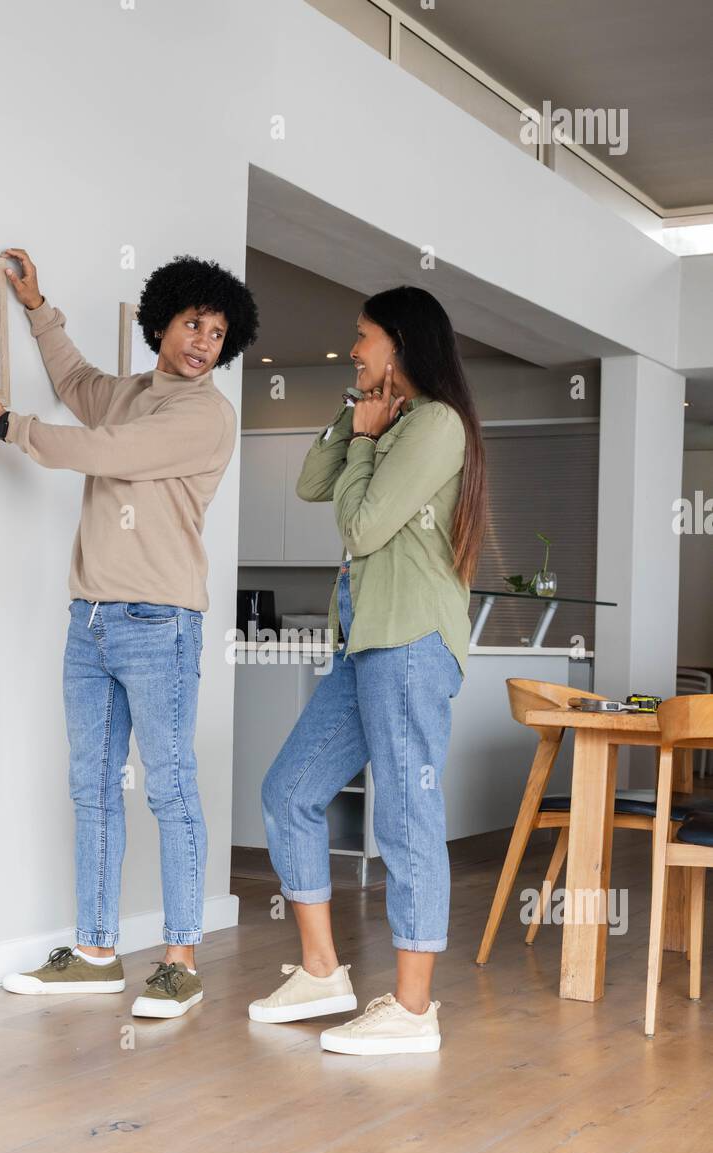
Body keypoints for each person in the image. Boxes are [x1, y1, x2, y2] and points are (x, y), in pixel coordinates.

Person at [0, 249, 258, 1018]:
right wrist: (38, 308)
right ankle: (95, 952)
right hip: (90, 620)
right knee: (93, 789)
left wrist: (6, 425)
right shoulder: (135, 394)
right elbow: (79, 386)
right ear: (161, 324)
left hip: (159, 620)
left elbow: (103, 450)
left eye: (217, 332)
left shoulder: (203, 415)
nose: (202, 341)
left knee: (171, 789)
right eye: (192, 323)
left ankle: (179, 959)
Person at [252, 286, 487, 1054]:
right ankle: (321, 969)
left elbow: (360, 523)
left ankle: (414, 1011)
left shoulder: (437, 425)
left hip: (411, 640)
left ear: (400, 340)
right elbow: (310, 484)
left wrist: (364, 435)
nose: (351, 347)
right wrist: (355, 414)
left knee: (405, 817)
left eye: (361, 337)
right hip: (363, 643)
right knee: (288, 790)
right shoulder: (386, 418)